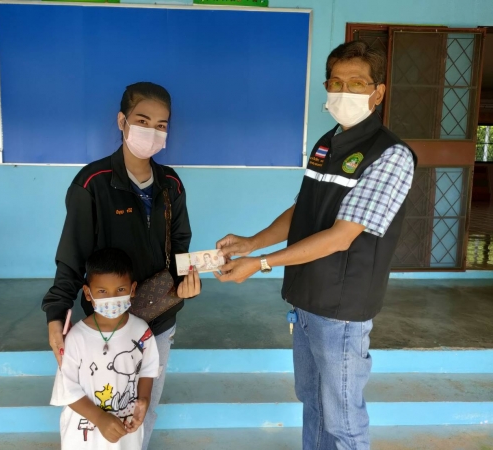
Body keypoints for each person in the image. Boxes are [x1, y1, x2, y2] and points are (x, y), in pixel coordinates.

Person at [215, 41, 416, 450]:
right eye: (336, 82)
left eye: (357, 83)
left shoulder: (390, 155)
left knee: (342, 418)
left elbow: (342, 235)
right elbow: (301, 210)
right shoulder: (327, 144)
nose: (344, 92)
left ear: (378, 92)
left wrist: (261, 263)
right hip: (306, 299)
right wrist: (252, 242)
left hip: (342, 308)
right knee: (312, 401)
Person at [42, 82, 201, 449]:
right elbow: (71, 255)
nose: (152, 131)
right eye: (142, 121)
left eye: (161, 125)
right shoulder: (92, 183)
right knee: (100, 407)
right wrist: (56, 312)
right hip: (105, 322)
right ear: (122, 121)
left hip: (157, 320)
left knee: (143, 408)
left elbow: (180, 247)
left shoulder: (171, 184)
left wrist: (187, 282)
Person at [51, 248, 160, 449]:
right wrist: (100, 418)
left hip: (126, 434)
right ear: (88, 293)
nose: (112, 297)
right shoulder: (76, 337)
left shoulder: (141, 332)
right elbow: (66, 389)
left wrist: (144, 400)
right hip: (83, 440)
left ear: (133, 289)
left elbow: (147, 371)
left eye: (120, 289)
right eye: (102, 291)